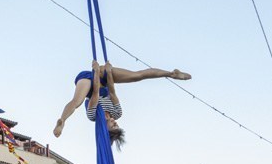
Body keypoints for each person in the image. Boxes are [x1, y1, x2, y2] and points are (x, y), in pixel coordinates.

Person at [53, 59, 192, 140]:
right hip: (105, 82)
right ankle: (172, 74)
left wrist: (95, 71)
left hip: (90, 83)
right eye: (117, 124)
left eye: (113, 125)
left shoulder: (93, 116)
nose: (115, 122)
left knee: (77, 101)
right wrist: (108, 72)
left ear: (105, 129)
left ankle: (62, 120)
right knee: (136, 76)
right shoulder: (117, 113)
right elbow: (112, 91)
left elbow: (95, 93)